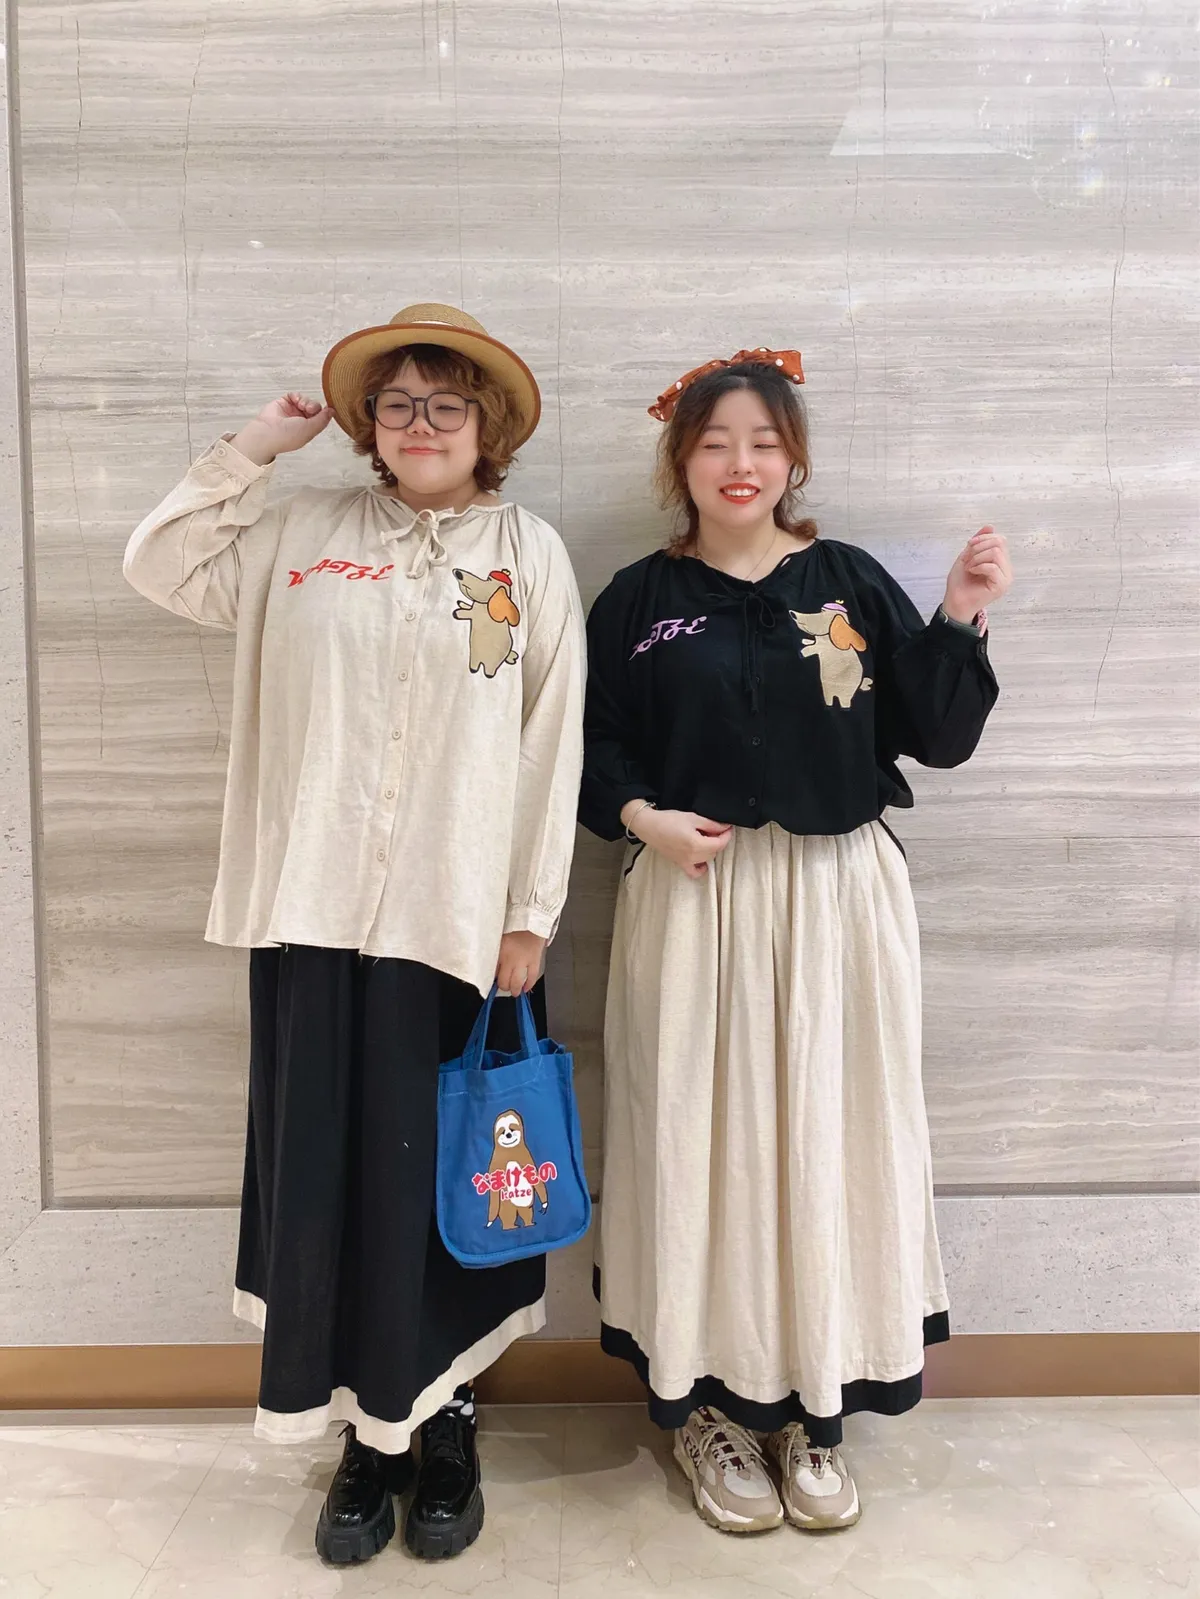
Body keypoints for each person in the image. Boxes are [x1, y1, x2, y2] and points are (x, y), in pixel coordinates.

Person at [124, 303, 585, 1564]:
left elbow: (550, 736)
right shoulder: (305, 535)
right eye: (397, 405)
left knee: (442, 1177)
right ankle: (363, 1432)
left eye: (447, 404)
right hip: (315, 915)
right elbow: (161, 567)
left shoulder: (526, 555)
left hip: (458, 922)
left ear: (488, 425)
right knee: (334, 1178)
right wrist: (253, 449)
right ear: (369, 425)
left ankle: (447, 1418)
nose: (421, 425)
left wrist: (528, 913)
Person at [580, 347, 1011, 1536]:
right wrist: (643, 818)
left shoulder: (847, 580)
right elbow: (589, 743)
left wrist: (959, 613)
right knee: (696, 1143)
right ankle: (704, 1407)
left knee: (831, 1135)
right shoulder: (638, 600)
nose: (741, 463)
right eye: (716, 441)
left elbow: (935, 733)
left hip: (836, 900)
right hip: (694, 897)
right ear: (681, 460)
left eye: (764, 442)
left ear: (794, 460)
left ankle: (816, 1406)